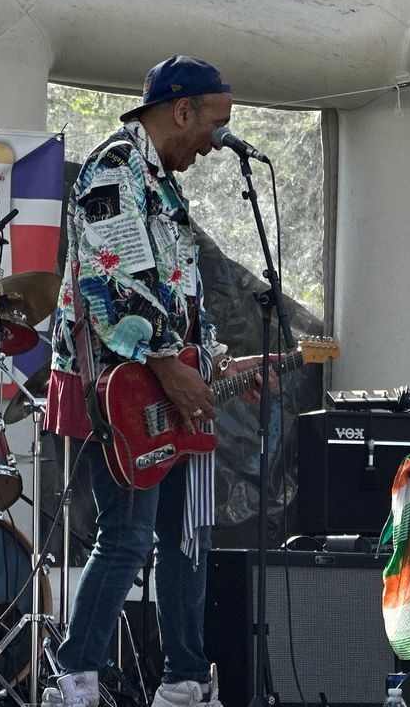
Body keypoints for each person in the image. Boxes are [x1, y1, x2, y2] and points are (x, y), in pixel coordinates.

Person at [43, 55, 275, 707]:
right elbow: (112, 282)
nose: (215, 142)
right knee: (127, 534)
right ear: (182, 109)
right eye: (214, 124)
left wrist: (219, 365)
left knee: (184, 533)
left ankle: (184, 676)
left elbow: (174, 294)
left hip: (164, 382)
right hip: (120, 384)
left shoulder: (162, 184)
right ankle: (75, 676)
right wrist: (172, 367)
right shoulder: (115, 167)